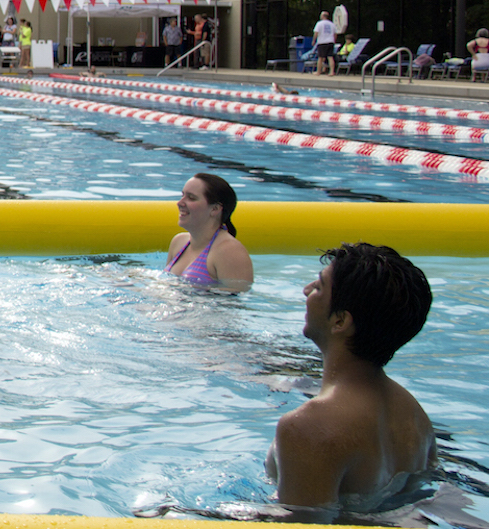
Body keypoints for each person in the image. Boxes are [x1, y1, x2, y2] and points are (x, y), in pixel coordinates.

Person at [266, 242, 434, 513]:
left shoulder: (308, 427)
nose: (306, 290)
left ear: (340, 322)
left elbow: (298, 525)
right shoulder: (415, 416)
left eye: (319, 287)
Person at [164, 173, 253, 292]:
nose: (180, 203)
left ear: (215, 209)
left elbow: (234, 305)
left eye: (191, 198)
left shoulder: (229, 251)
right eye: (182, 195)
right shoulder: (179, 242)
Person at [313, 10, 338, 75]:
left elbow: (316, 33)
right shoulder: (332, 24)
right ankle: (332, 72)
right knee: (330, 57)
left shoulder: (319, 23)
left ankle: (318, 71)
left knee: (320, 57)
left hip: (322, 42)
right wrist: (334, 41)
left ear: (323, 16)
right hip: (330, 41)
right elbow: (335, 34)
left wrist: (314, 40)